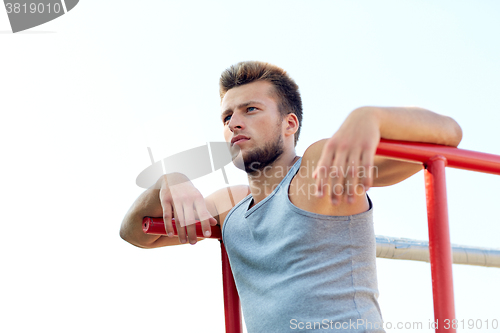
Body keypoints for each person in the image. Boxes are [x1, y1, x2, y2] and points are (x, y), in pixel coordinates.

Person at [120, 61, 462, 332]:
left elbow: (448, 134)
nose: (234, 123)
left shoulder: (317, 169)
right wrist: (168, 180)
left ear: (290, 123)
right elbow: (133, 233)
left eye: (250, 109)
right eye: (227, 116)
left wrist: (371, 116)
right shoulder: (230, 206)